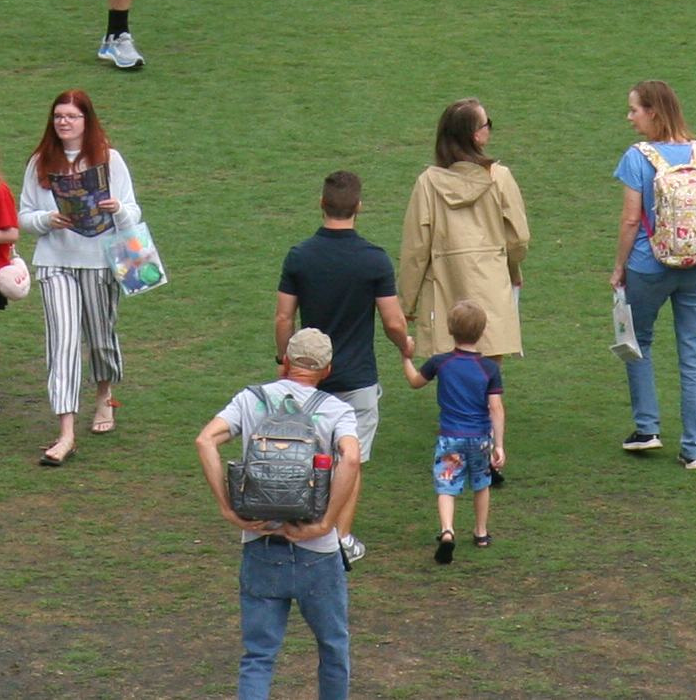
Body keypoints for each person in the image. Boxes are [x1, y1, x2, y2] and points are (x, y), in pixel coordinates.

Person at [196, 327, 361, 698]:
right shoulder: (337, 411)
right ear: (327, 370)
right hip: (316, 552)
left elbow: (205, 439)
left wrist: (227, 507)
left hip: (261, 544)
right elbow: (350, 458)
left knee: (259, 656)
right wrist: (326, 523)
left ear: (285, 361)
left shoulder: (249, 399)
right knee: (333, 649)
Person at [278, 169, 413, 568]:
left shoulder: (300, 256)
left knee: (309, 458)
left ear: (321, 204)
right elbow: (392, 321)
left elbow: (284, 318)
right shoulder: (373, 259)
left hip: (307, 377)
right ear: (358, 207)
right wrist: (405, 345)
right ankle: (339, 540)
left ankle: (302, 531)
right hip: (357, 380)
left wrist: (286, 360)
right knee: (349, 461)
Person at [21, 89, 138, 467]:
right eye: (58, 116)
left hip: (101, 260)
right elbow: (23, 215)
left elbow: (132, 213)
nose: (64, 122)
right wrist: (46, 219)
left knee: (101, 337)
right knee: (64, 342)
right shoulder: (41, 162)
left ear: (87, 121)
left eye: (72, 116)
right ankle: (66, 433)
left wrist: (116, 207)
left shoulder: (109, 160)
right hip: (55, 261)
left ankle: (105, 395)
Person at [398, 96, 528, 422]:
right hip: (491, 283)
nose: (489, 130)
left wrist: (407, 304)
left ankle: (459, 437)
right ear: (475, 135)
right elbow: (519, 237)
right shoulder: (500, 177)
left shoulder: (427, 183)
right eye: (487, 124)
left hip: (446, 286)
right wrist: (512, 268)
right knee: (488, 373)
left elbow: (415, 249)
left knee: (451, 367)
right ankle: (486, 442)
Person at [609, 78, 696, 469]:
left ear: (653, 112)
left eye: (634, 109)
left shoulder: (638, 157)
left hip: (649, 266)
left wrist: (619, 267)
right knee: (695, 352)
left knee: (638, 341)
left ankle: (647, 429)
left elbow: (630, 219)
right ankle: (695, 450)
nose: (630, 117)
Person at [406, 300, 505, 565]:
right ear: (482, 331)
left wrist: (406, 357)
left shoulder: (440, 362)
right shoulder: (490, 368)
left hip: (450, 437)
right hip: (481, 438)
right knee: (481, 484)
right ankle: (481, 532)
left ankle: (447, 530)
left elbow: (416, 382)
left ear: (450, 329)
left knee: (446, 486)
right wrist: (499, 446)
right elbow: (496, 408)